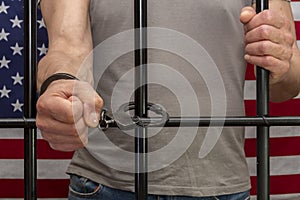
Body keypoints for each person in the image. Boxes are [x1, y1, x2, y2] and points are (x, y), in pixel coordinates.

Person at [36, 0, 300, 199]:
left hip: (219, 182)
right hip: (104, 183)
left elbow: (287, 83)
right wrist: (60, 82)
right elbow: (66, 47)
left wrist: (278, 60)